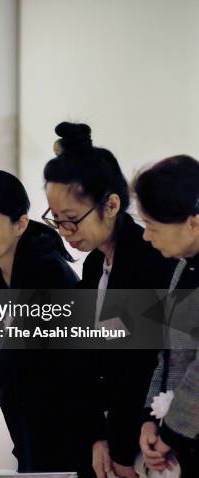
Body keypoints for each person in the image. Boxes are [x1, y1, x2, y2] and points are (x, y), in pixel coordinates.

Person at [42, 122, 174, 478]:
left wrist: (120, 446)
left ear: (111, 204)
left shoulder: (150, 260)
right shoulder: (95, 265)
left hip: (148, 441)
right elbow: (87, 361)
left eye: (71, 220)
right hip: (110, 437)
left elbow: (142, 365)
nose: (65, 233)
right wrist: (96, 436)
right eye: (56, 221)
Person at [0, 170, 90, 474]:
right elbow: (5, 339)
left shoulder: (47, 267)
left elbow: (23, 337)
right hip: (27, 399)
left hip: (68, 400)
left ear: (20, 224)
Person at [134, 155, 199, 478]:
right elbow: (168, 352)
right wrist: (151, 417)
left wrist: (171, 433)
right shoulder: (182, 267)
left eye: (152, 227)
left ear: (194, 222)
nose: (147, 236)